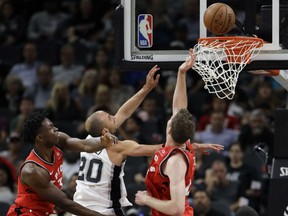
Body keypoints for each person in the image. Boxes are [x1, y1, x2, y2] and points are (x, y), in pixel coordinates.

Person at [135, 49, 223, 215]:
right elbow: (180, 107)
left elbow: (176, 209)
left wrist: (145, 199)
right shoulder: (184, 143)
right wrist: (181, 73)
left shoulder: (175, 162)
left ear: (169, 129)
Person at [7, 110, 116, 216]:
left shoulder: (58, 140)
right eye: (51, 128)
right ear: (40, 138)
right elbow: (64, 203)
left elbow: (84, 145)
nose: (56, 129)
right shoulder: (32, 170)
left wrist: (103, 142)